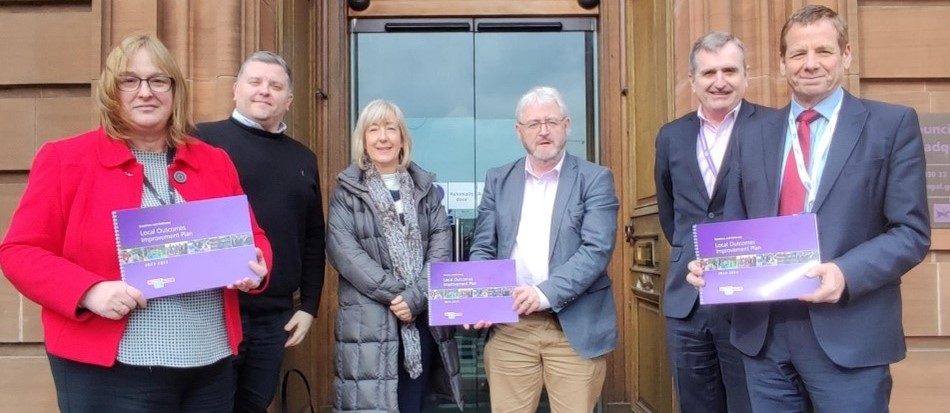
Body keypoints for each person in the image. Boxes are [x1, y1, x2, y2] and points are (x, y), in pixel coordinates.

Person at [0, 33, 272, 412]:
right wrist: (88, 291)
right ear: (112, 91)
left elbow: (253, 237)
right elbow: (20, 251)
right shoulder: (66, 160)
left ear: (175, 90)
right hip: (113, 370)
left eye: (159, 80)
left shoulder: (214, 162)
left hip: (209, 364)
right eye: (130, 80)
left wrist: (256, 266)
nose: (146, 92)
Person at [688, 5, 930, 412]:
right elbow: (736, 221)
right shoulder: (752, 134)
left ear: (846, 55)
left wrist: (845, 272)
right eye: (798, 54)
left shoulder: (891, 126)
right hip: (763, 337)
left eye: (824, 51)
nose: (811, 64)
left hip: (849, 332)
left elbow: (911, 232)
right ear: (782, 63)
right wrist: (713, 264)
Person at [467, 86, 619, 412]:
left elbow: (596, 249)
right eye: (533, 124)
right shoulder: (499, 179)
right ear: (519, 131)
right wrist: (481, 296)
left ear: (567, 125)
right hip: (511, 329)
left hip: (573, 330)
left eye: (550, 121)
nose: (543, 131)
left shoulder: (595, 179)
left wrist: (542, 293)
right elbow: (483, 246)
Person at [194, 51, 326, 413]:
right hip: (213, 309)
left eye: (275, 85)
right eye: (255, 82)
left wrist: (310, 306)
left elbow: (314, 235)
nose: (264, 91)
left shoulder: (303, 157)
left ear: (289, 100)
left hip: (276, 316)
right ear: (236, 90)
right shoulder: (200, 141)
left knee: (255, 405)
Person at [326, 99, 463, 412]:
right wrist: (397, 296)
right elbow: (343, 250)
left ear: (403, 138)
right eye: (373, 129)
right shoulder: (347, 190)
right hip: (369, 325)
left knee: (412, 403)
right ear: (363, 139)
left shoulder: (424, 189)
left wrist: (416, 298)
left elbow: (442, 244)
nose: (383, 137)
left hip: (420, 322)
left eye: (391, 128)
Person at [654, 32, 765, 413]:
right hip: (688, 298)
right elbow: (671, 214)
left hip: (751, 298)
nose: (720, 81)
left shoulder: (770, 126)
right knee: (696, 403)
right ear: (693, 80)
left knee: (750, 403)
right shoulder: (671, 135)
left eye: (730, 70)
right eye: (709, 72)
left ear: (746, 75)